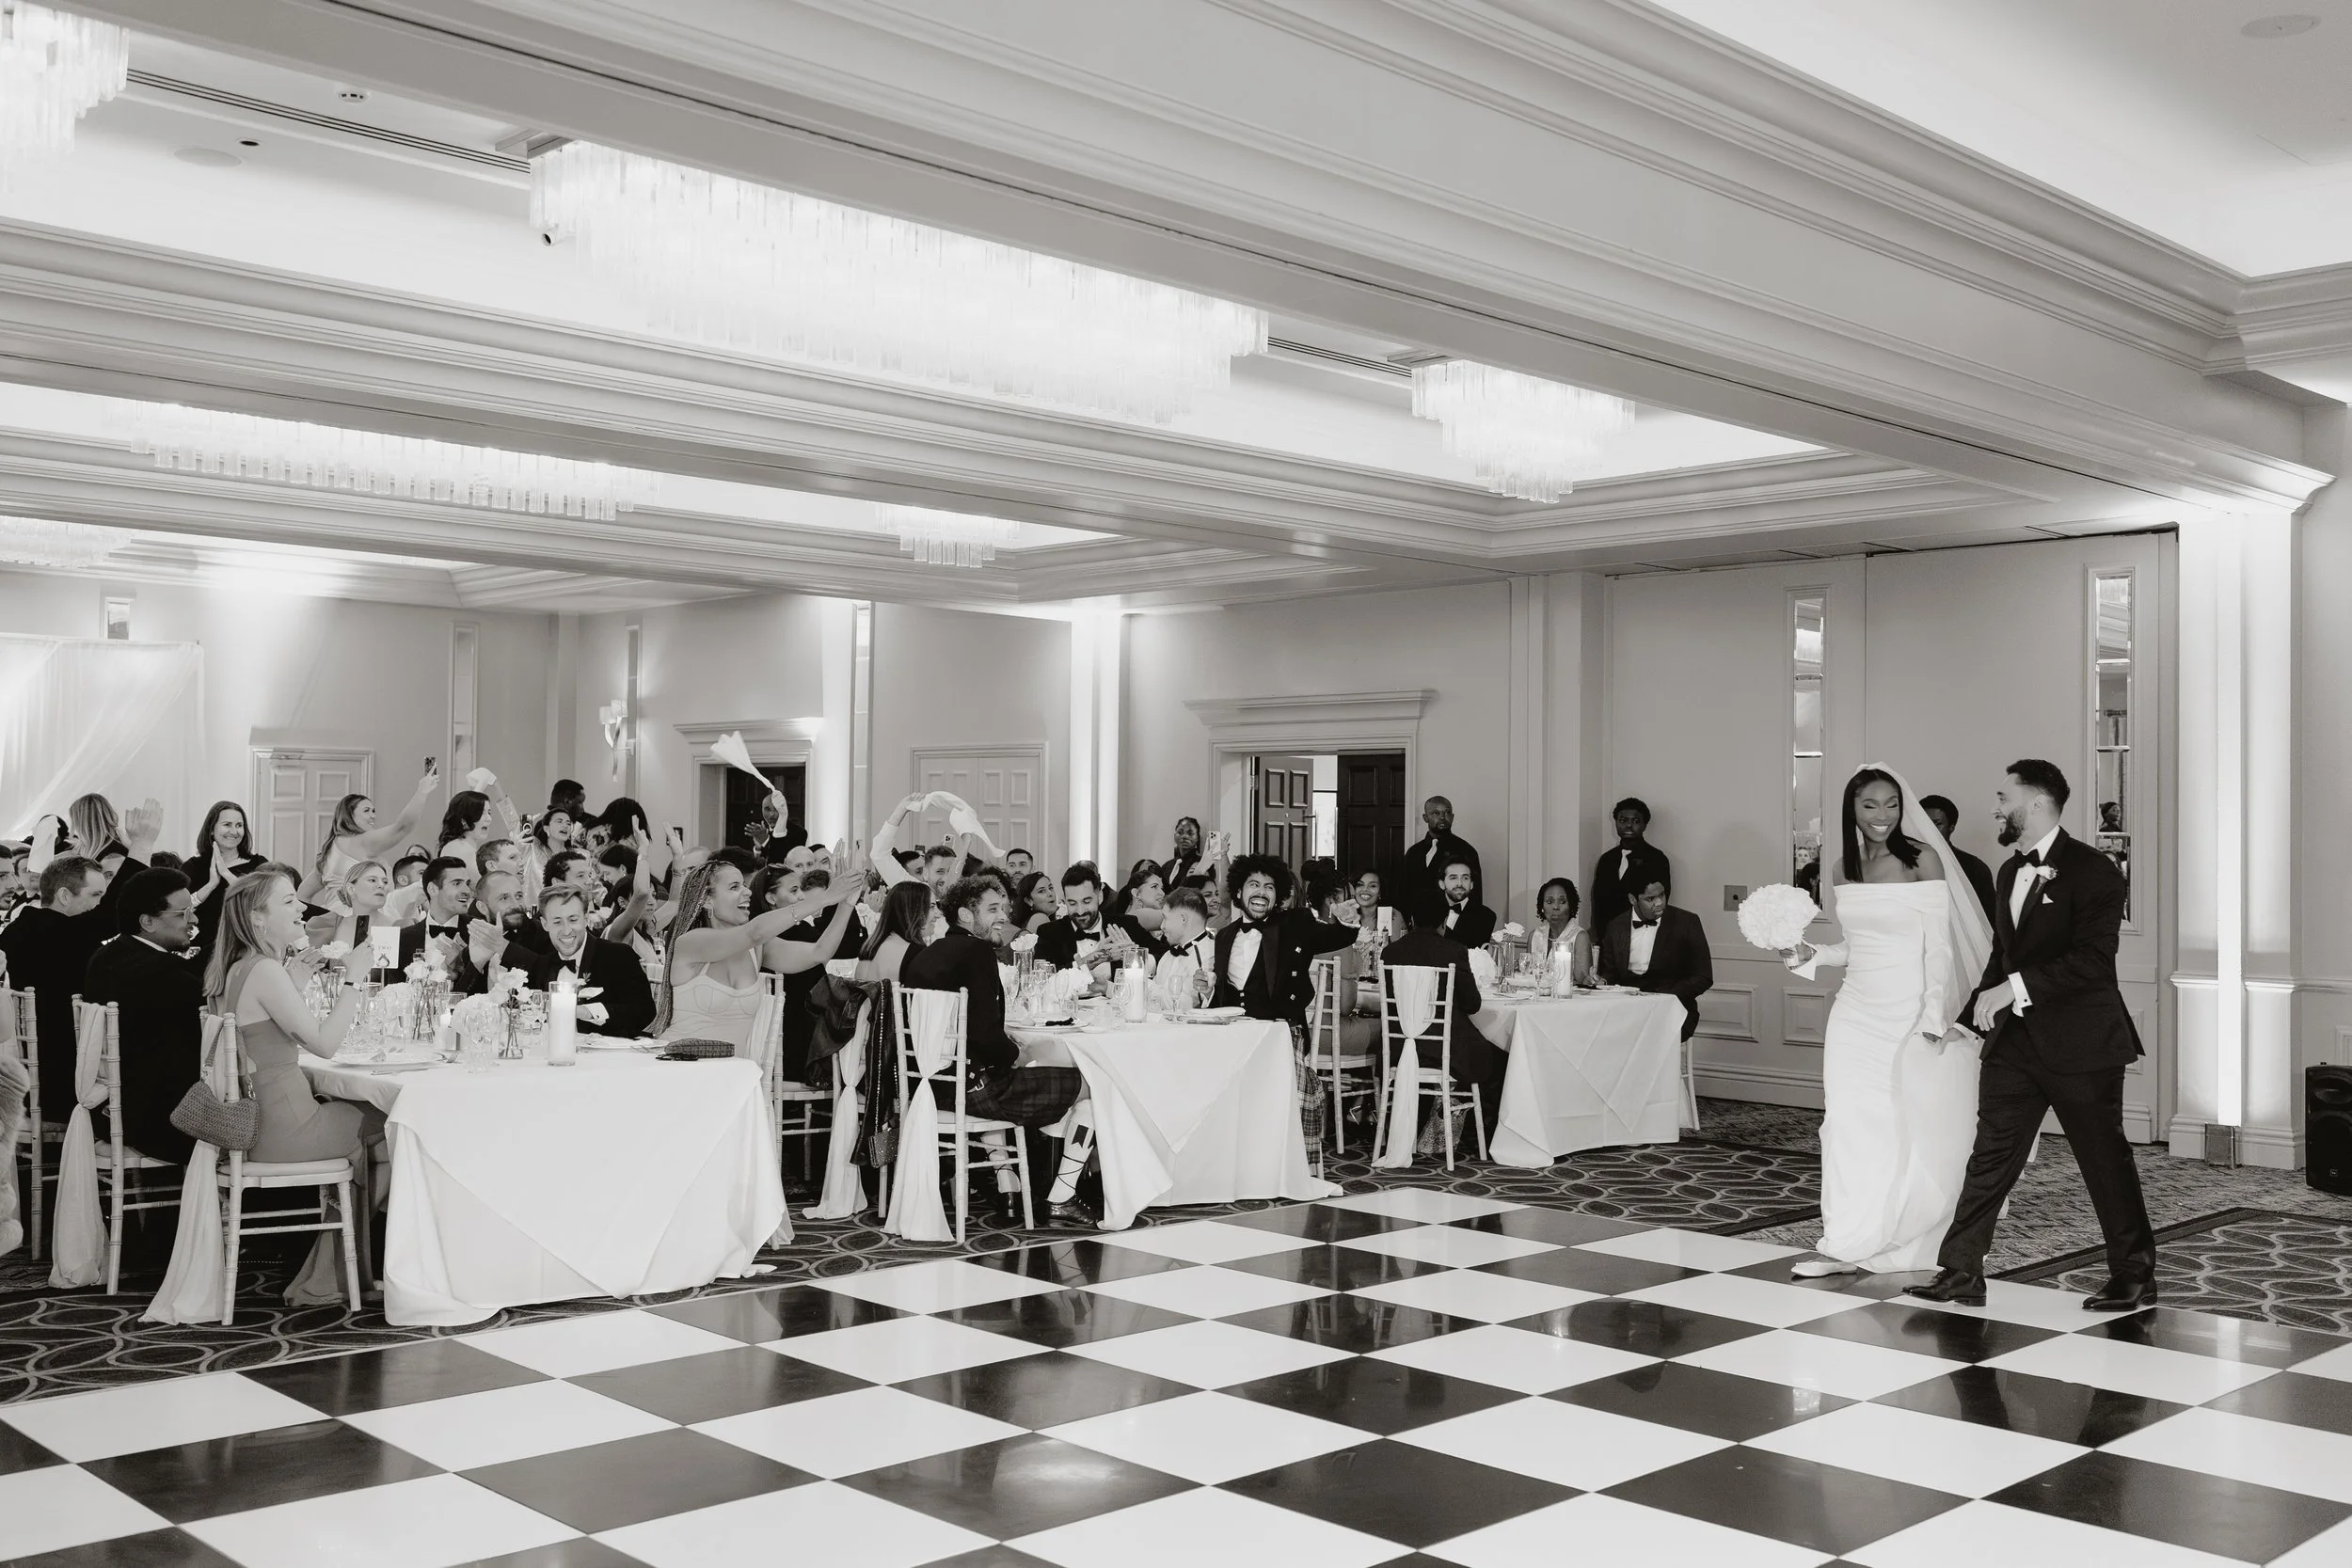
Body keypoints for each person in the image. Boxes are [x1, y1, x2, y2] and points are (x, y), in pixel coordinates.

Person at [1910, 760, 2156, 1314]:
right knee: (1990, 1156)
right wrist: (1966, 1018)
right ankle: (1962, 1270)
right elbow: (2003, 957)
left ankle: (2135, 1273)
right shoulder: (2008, 872)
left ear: (2038, 802)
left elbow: (2094, 961)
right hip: (2015, 1045)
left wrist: (2016, 987)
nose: (1995, 807)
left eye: (2004, 797)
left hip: (2082, 1043)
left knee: (2103, 1161)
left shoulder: (2096, 871)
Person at [1780, 767, 1990, 1279]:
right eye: (1870, 805)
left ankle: (1901, 1236)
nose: (1883, 815)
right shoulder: (1841, 867)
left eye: (1891, 804)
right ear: (1851, 808)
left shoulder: (1923, 859)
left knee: (1903, 1125)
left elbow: (1938, 946)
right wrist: (1811, 954)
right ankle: (1844, 1243)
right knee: (1847, 1124)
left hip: (1909, 1014)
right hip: (1855, 1014)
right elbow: (1857, 946)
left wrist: (1934, 1014)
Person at [206, 869, 381, 1165]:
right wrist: (354, 979)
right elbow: (325, 1046)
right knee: (401, 1121)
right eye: (289, 901)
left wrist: (293, 986)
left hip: (256, 1128)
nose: (302, 907)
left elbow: (263, 1036)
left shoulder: (237, 967)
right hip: (289, 1131)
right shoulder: (265, 970)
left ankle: (350, 1192)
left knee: (362, 1114)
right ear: (257, 917)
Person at [900, 874, 1085, 1132]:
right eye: (993, 909)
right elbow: (984, 1034)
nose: (1004, 917)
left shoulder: (928, 953)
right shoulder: (976, 951)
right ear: (965, 915)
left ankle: (1006, 1160)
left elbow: (967, 1025)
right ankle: (1069, 1161)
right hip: (974, 1089)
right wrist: (1018, 1056)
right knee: (1089, 1082)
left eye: (1003, 908)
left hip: (930, 1085)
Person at [80, 867, 205, 1165]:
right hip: (158, 1123)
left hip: (112, 1110)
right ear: (148, 921)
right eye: (183, 914)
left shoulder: (107, 956)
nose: (194, 921)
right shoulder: (162, 974)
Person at [654, 858, 846, 1046]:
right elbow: (754, 932)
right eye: (734, 887)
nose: (747, 892)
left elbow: (819, 953)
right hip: (681, 1060)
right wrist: (824, 899)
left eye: (744, 885)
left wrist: (846, 903)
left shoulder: (756, 947)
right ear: (707, 900)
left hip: (735, 1065)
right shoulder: (691, 942)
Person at [1378, 895, 1507, 1141]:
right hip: (1442, 1051)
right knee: (1498, 1054)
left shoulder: (1390, 952)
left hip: (1397, 1047)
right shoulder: (1454, 951)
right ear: (1445, 920)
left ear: (1412, 919)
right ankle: (1487, 1131)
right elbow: (1472, 1004)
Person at [0, 856, 111, 1124]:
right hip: (68, 1085)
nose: (99, 905)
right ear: (64, 895)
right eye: (95, 895)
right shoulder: (70, 937)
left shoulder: (19, 929)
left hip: (33, 1082)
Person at [1211, 855, 1359, 1027]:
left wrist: (1347, 921)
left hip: (1282, 1029)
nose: (1261, 892)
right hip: (1234, 1031)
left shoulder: (1295, 925)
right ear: (1238, 891)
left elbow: (1337, 937)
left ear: (1277, 896)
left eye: (1269, 887)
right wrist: (1208, 991)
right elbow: (1221, 995)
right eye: (1254, 885)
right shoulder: (1224, 936)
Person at [498, 885, 657, 1037]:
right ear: (545, 925)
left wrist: (586, 1012)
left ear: (586, 919)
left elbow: (645, 1013)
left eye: (573, 920)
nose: (567, 930)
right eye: (557, 922)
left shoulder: (618, 955)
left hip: (608, 1054)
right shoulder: (542, 965)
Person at [759, 864, 866, 1082]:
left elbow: (827, 951)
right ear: (771, 898)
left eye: (800, 889)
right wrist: (840, 903)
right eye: (794, 891)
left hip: (796, 1029)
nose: (801, 896)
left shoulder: (799, 929)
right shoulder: (776, 933)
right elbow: (823, 952)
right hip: (793, 1036)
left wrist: (845, 904)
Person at [1597, 873, 1712, 1041]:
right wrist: (1602, 982)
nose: (1659, 903)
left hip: (1673, 1009)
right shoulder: (1615, 926)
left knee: (1644, 1038)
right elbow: (1610, 973)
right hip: (1627, 1011)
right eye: (1650, 899)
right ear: (1632, 899)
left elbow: (1703, 976)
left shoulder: (1687, 922)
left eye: (1662, 895)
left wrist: (1666, 997)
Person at [299, 771, 439, 906]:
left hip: (339, 918)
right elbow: (402, 827)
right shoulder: (361, 841)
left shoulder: (331, 849)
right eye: (366, 811)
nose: (373, 816)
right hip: (359, 919)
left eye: (373, 811)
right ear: (349, 815)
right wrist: (422, 791)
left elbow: (303, 894)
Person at [185, 800, 266, 962]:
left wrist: (227, 875)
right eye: (227, 825)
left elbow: (265, 904)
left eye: (239, 825)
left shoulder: (259, 864)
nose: (234, 831)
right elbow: (179, 910)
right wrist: (210, 885)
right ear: (211, 830)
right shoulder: (193, 867)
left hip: (246, 949)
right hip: (202, 952)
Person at [1036, 863, 1147, 972]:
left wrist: (1132, 956)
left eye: (1087, 902)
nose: (1080, 911)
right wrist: (1092, 960)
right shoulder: (1048, 932)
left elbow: (1156, 956)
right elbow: (1045, 976)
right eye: (1072, 903)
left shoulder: (1126, 924)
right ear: (1065, 901)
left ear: (1100, 897)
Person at [1591, 797, 1672, 941]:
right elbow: (1598, 901)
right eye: (1623, 820)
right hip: (1609, 937)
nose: (1629, 825)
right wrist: (1600, 936)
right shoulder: (1606, 859)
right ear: (1616, 822)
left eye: (1635, 821)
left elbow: (1659, 903)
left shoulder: (1656, 858)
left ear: (1644, 825)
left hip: (1644, 935)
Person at [1389, 795, 1481, 921]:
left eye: (1447, 813)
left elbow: (1475, 895)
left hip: (1453, 923)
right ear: (1425, 818)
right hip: (1417, 924)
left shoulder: (1466, 851)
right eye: (1436, 813)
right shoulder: (1414, 852)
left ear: (1452, 817)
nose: (1442, 817)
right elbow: (1402, 892)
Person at [1920, 794, 1998, 928]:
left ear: (1952, 827)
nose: (1929, 830)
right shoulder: (1901, 863)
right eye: (1924, 823)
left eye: (1937, 824)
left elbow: (1990, 919)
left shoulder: (1974, 867)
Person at [396, 857, 475, 970]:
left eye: (467, 883)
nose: (467, 891)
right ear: (432, 889)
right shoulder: (403, 939)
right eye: (457, 883)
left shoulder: (480, 933)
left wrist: (462, 963)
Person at [1151, 887, 1218, 1006]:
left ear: (1183, 919)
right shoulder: (1168, 955)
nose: (1162, 926)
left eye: (1165, 918)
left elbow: (1187, 1005)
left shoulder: (1207, 955)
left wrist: (1142, 984)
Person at [1531, 877, 1594, 987]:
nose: (1555, 907)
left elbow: (1582, 980)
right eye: (1549, 902)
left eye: (1562, 902)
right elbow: (1529, 976)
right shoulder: (1534, 935)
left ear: (1570, 905)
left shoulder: (1580, 937)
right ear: (1542, 906)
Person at [1433, 857, 1496, 947]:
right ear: (1442, 884)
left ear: (1471, 884)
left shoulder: (1486, 916)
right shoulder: (1428, 911)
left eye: (1465, 878)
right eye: (1453, 878)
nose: (1460, 883)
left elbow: (1472, 951)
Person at [1108, 858, 1169, 938]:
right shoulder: (1137, 916)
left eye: (1162, 888)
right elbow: (1177, 916)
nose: (1162, 893)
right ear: (1136, 893)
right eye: (1154, 887)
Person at [1161, 816, 1208, 887]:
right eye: (1180, 832)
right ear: (1174, 836)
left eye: (1190, 833)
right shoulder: (1167, 866)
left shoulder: (1201, 864)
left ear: (1197, 838)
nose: (1184, 836)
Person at [1015, 871, 1060, 935]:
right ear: (1029, 901)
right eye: (1041, 891)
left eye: (1051, 888)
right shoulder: (1039, 918)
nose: (1050, 893)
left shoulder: (1035, 919)